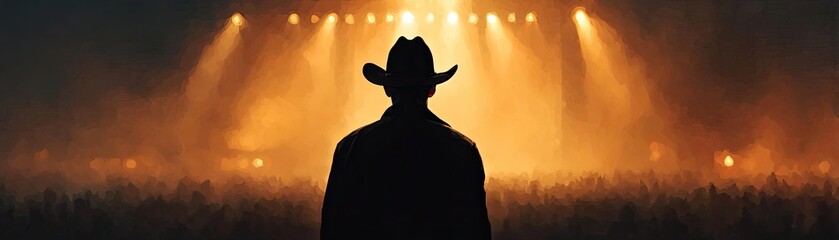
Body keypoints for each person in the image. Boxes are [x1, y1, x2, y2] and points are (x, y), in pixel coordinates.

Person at [321, 36, 491, 239]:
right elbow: (475, 228)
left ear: (387, 88)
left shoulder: (351, 147)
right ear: (432, 89)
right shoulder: (462, 149)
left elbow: (334, 227)